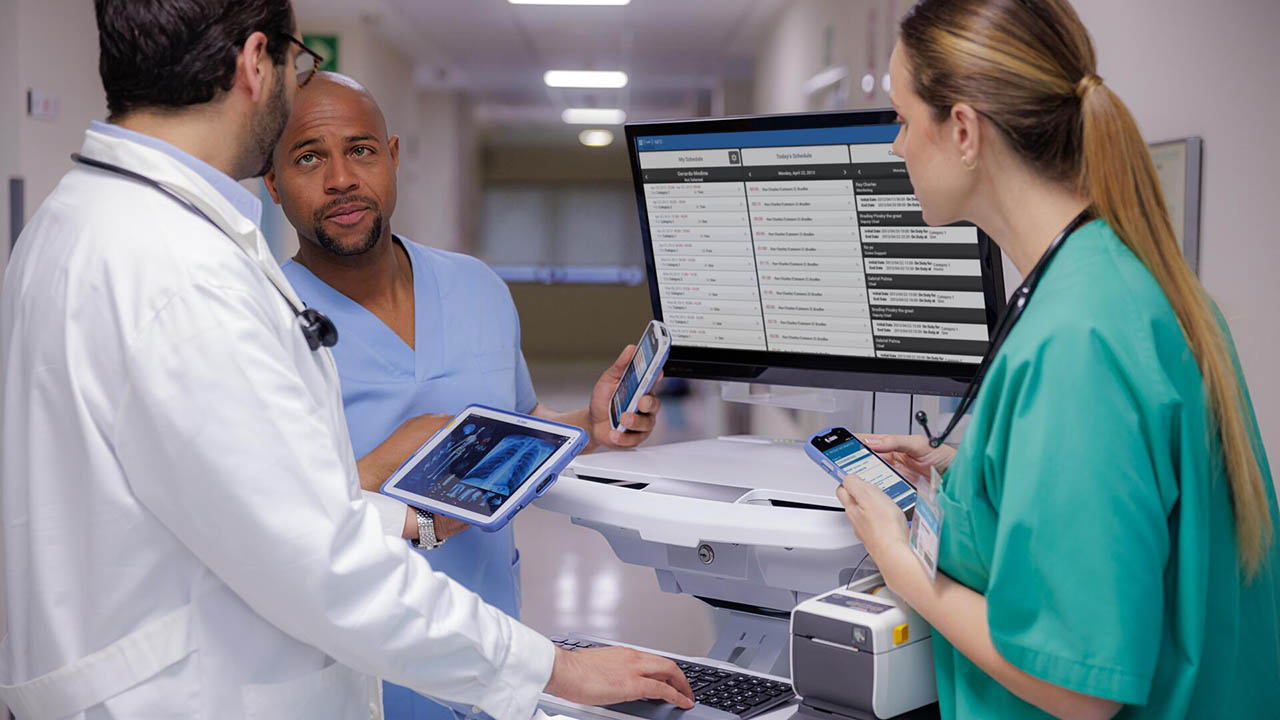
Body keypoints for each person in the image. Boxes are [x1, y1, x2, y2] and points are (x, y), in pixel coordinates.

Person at [0, 2, 692, 718]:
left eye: (360, 150)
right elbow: (317, 561)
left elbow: (260, 516)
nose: (338, 176)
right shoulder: (182, 272)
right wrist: (557, 671)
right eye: (296, 67)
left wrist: (419, 517)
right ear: (254, 62)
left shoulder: (76, 224)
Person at [833, 1, 1280, 719]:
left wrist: (900, 563)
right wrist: (970, 465)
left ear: (964, 130)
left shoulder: (1075, 341)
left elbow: (1077, 690)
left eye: (902, 118)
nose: (896, 146)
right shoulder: (1122, 281)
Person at [263, 72, 664, 719]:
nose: (340, 177)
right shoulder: (259, 322)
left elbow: (521, 423)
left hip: (495, 656)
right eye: (309, 157)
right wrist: (376, 472)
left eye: (360, 150)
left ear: (392, 157)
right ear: (273, 181)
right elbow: (266, 522)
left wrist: (588, 425)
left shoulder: (476, 286)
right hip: (354, 682)